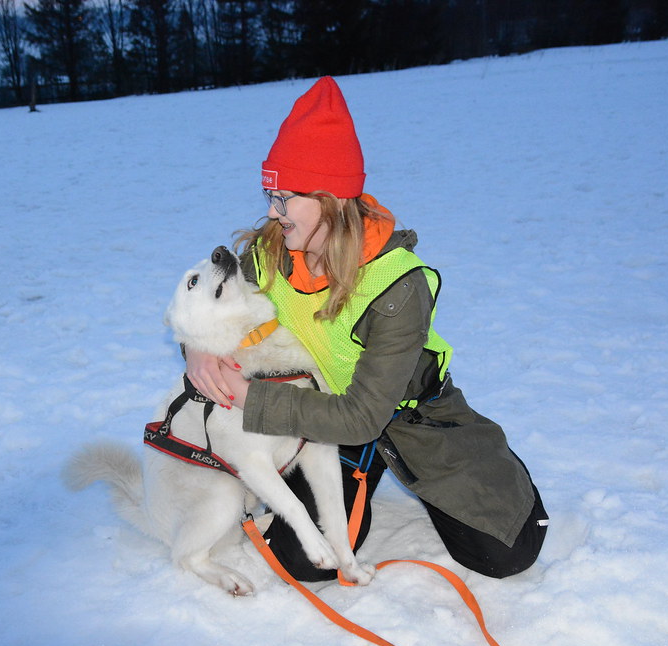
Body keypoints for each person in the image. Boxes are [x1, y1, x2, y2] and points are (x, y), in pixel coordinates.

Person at [186, 76, 548, 580]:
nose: (272, 211)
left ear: (330, 199)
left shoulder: (397, 286)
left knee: (507, 552)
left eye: (285, 197)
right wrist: (198, 347)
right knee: (304, 560)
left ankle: (489, 463)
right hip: (320, 416)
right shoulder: (270, 250)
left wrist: (249, 396)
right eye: (270, 194)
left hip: (410, 417)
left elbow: (361, 417)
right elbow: (209, 294)